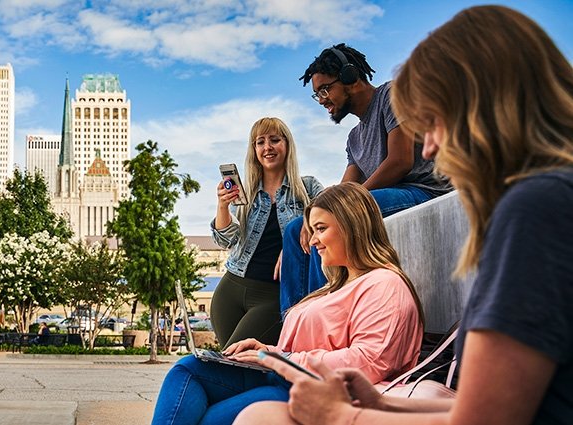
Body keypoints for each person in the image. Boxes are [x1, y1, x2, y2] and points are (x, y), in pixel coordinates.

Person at [237, 5, 573, 425]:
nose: (427, 149)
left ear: (482, 104)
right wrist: (384, 403)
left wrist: (343, 416)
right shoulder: (541, 202)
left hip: (408, 193)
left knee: (261, 417)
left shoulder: (537, 210)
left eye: (430, 122)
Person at [152, 182, 424, 425]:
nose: (314, 240)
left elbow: (370, 361)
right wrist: (268, 351)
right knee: (188, 368)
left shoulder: (384, 284)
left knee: (209, 418)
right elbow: (311, 345)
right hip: (285, 375)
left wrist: (284, 359)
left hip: (312, 388)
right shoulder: (336, 287)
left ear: (352, 226)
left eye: (321, 229)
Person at [280, 44, 452, 311]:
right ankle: (295, 325)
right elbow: (346, 186)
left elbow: (399, 162)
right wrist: (313, 211)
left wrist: (337, 207)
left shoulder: (392, 96)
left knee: (329, 217)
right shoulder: (355, 137)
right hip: (384, 196)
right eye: (317, 95)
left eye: (325, 89)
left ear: (351, 78)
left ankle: (325, 318)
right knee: (295, 228)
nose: (322, 99)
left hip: (422, 191)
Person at [210, 117, 324, 347]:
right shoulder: (247, 192)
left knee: (235, 357)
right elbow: (227, 239)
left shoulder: (308, 187)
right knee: (239, 369)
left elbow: (332, 217)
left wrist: (298, 234)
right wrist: (222, 206)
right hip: (230, 289)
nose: (267, 147)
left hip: (274, 295)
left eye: (274, 140)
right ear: (254, 150)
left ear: (287, 145)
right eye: (260, 142)